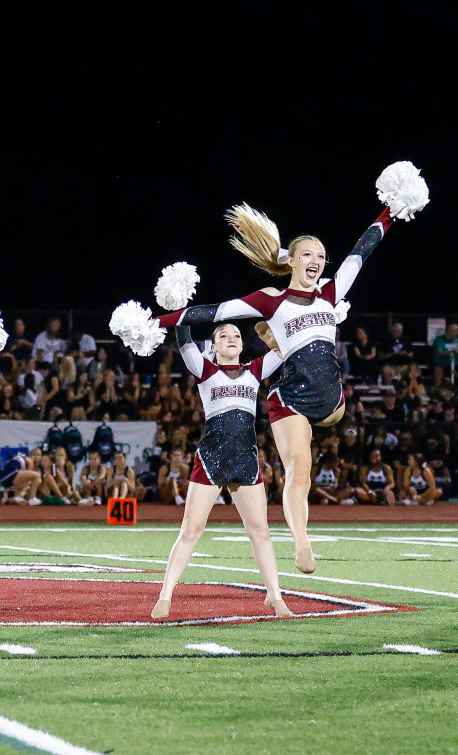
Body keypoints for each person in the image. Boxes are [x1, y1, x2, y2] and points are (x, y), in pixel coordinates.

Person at [154, 202, 398, 574]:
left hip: (332, 402)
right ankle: (302, 542)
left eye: (320, 256)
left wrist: (392, 208)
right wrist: (155, 323)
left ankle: (272, 339)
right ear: (293, 263)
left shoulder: (331, 293)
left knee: (326, 419)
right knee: (300, 467)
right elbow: (216, 312)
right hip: (290, 401)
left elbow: (361, 250)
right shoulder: (272, 299)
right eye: (307, 255)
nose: (316, 260)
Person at [152, 323, 292, 619]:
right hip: (211, 458)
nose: (231, 339)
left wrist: (275, 327)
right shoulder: (206, 371)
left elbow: (285, 346)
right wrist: (181, 309)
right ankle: (165, 595)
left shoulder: (255, 370)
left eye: (237, 336)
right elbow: (183, 336)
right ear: (213, 347)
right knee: (191, 529)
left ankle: (274, 595)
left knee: (261, 531)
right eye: (223, 336)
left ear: (243, 346)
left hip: (245, 459)